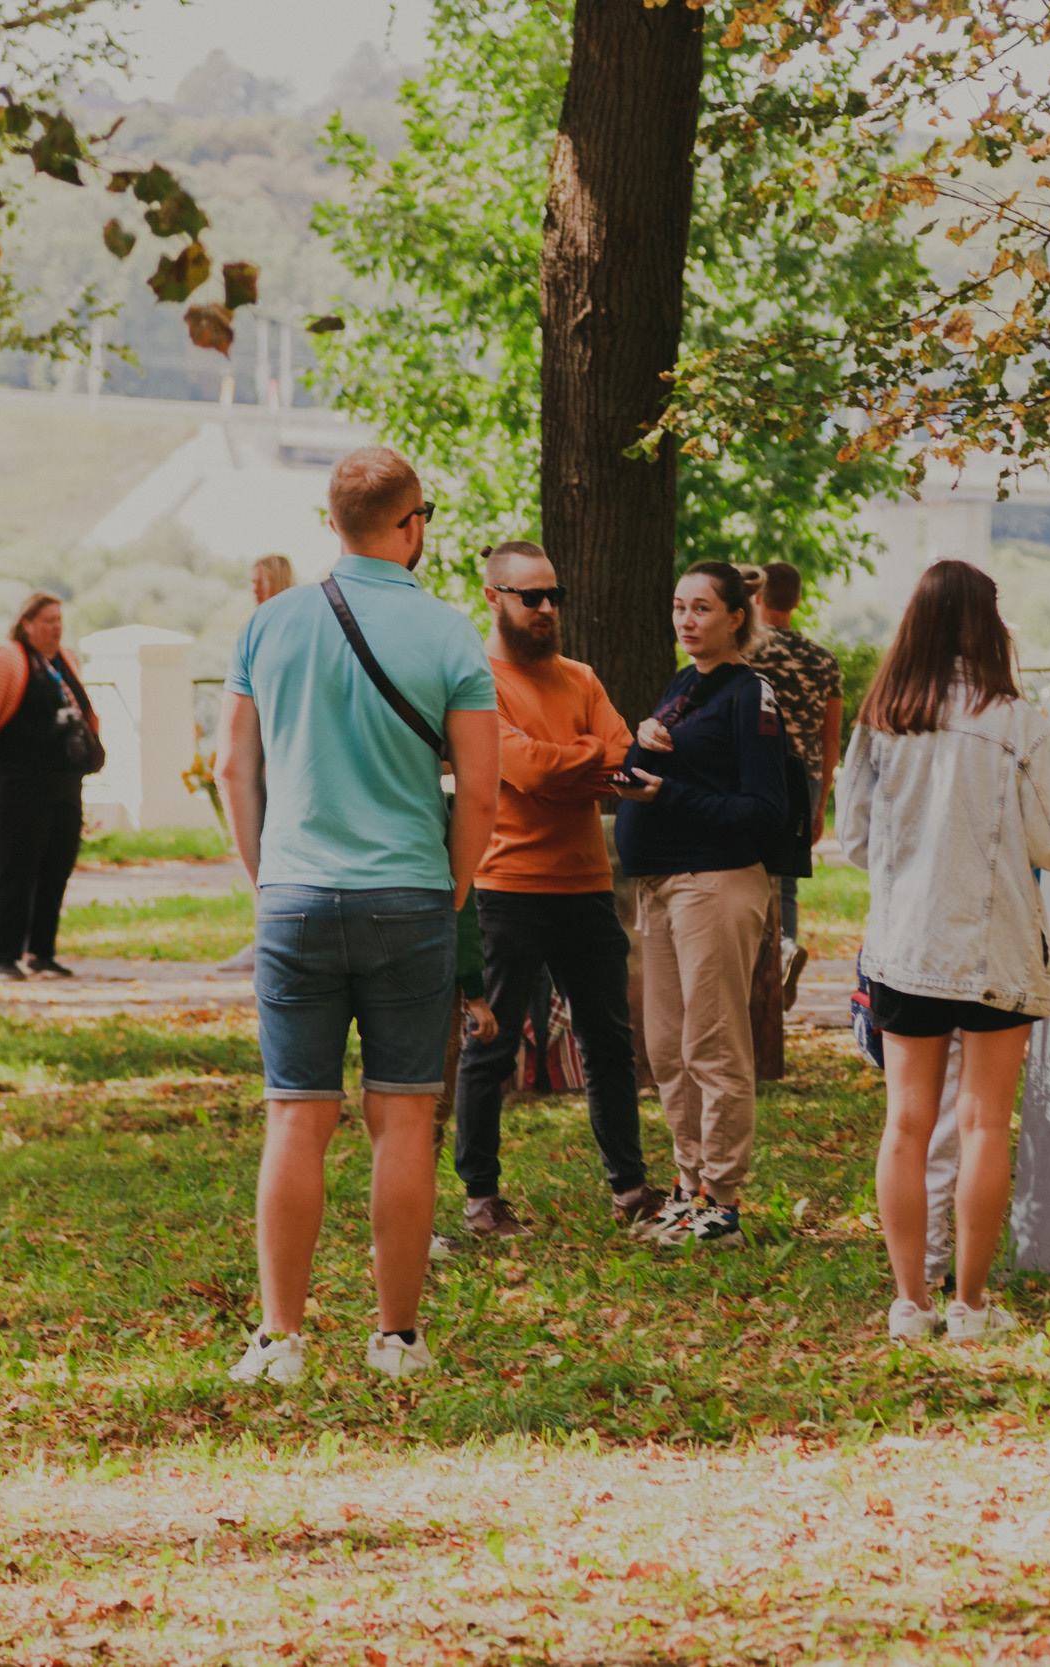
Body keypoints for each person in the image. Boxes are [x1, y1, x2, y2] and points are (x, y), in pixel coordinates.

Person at [215, 446, 502, 1386]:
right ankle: (396, 1335)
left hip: (295, 896)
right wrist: (451, 888)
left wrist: (265, 876)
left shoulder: (272, 624)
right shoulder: (453, 634)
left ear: (329, 521)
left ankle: (280, 1337)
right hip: (409, 895)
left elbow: (233, 769)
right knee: (404, 1118)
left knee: (295, 1117)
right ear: (412, 525)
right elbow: (483, 793)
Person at [837, 558, 1050, 1344]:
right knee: (983, 1124)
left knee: (904, 1123)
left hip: (905, 944)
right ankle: (970, 1305)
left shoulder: (881, 718)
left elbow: (855, 839)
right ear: (988, 623)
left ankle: (909, 1302)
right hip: (996, 948)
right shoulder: (1022, 723)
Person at [446, 539, 664, 1242]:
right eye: (530, 596)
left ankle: (629, 1187)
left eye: (553, 596)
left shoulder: (583, 677)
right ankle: (482, 1197)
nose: (546, 609)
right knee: (491, 1044)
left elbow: (623, 757)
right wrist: (592, 763)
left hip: (585, 886)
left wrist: (583, 763)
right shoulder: (475, 679)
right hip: (505, 887)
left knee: (609, 1042)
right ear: (493, 597)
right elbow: (532, 770)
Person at [612, 561, 791, 1249]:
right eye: (679, 606)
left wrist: (668, 796)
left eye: (703, 609)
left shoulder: (752, 694)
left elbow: (764, 809)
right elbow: (662, 770)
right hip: (659, 884)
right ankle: (688, 1186)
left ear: (736, 617)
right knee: (665, 1044)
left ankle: (723, 1196)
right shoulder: (685, 685)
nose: (687, 620)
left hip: (714, 882)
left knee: (712, 1043)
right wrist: (638, 751)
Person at [0, 593, 101, 982]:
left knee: (56, 865)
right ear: (26, 623)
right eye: (47, 620)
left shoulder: (66, 660)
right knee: (14, 866)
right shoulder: (6, 659)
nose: (56, 626)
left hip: (64, 781)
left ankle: (42, 952)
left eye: (59, 619)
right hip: (16, 780)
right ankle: (3, 955)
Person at [743, 559, 844, 1001]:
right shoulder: (823, 659)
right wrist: (821, 802)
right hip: (804, 778)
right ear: (797, 601)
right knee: (785, 876)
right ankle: (785, 947)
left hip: (754, 771)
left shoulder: (745, 651)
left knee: (747, 871)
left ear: (757, 597)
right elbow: (831, 734)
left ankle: (758, 958)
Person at [218, 557, 301, 975]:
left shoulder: (274, 632)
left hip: (276, 768)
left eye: (259, 582)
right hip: (270, 765)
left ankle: (267, 938)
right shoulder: (268, 630)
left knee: (267, 857)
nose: (253, 589)